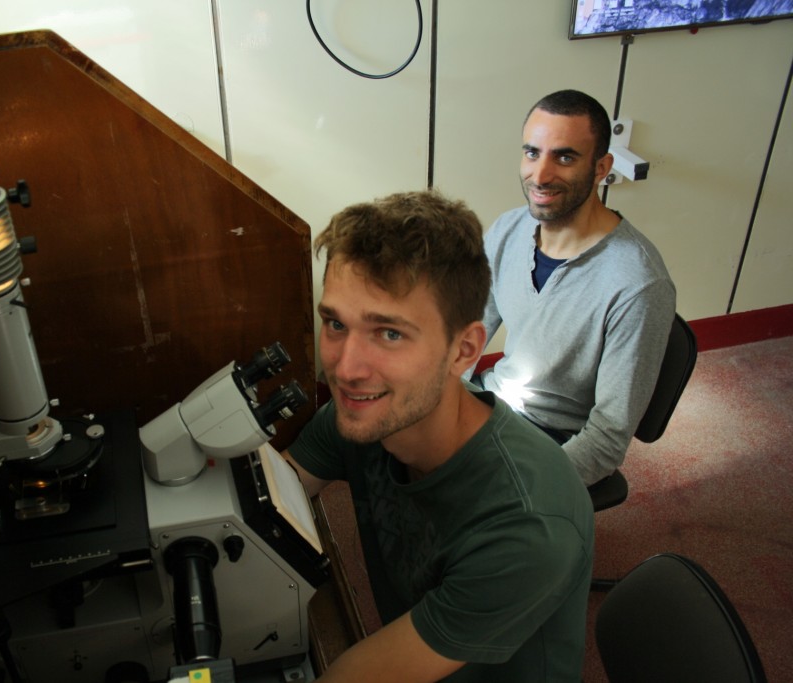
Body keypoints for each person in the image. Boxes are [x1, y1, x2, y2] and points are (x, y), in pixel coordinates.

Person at [282, 190, 594, 682]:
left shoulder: (527, 525)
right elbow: (272, 500)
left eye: (389, 333)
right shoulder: (366, 414)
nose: (345, 368)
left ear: (462, 349)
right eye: (336, 323)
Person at [475, 89, 676, 487]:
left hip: (554, 439)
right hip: (496, 400)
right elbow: (464, 332)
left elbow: (607, 438)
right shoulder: (509, 229)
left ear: (602, 168)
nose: (541, 175)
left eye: (564, 157)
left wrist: (522, 487)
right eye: (532, 153)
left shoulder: (638, 284)